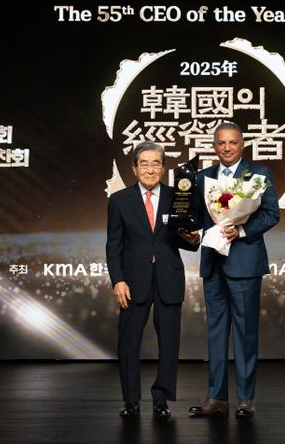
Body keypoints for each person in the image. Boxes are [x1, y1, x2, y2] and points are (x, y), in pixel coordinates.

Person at [189, 122, 280, 418]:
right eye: (221, 143)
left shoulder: (259, 174)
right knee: (215, 334)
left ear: (242, 144)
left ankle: (245, 399)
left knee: (245, 334)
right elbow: (196, 218)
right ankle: (216, 398)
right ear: (214, 146)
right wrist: (187, 229)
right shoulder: (201, 177)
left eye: (233, 142)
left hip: (245, 264)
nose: (227, 148)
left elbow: (271, 214)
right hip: (213, 264)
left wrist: (240, 231)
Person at [106, 141, 200, 418]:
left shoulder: (178, 196)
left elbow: (186, 241)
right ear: (134, 168)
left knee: (169, 344)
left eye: (155, 163)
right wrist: (118, 280)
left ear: (163, 167)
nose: (150, 169)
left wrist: (193, 238)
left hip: (169, 278)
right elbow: (113, 246)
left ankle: (162, 399)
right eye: (144, 163)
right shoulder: (119, 200)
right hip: (133, 281)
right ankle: (130, 400)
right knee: (128, 343)